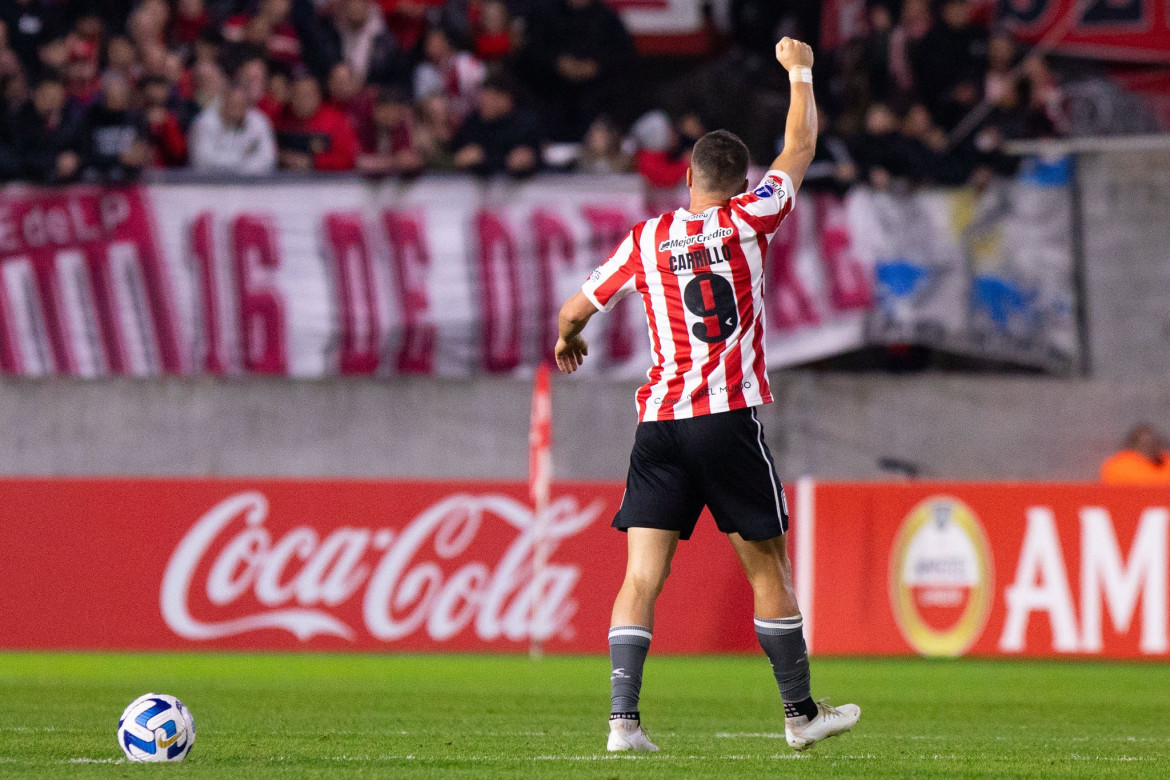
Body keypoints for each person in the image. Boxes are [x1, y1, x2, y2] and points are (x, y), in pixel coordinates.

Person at [553, 37, 861, 754]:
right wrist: (799, 72)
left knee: (641, 577)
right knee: (768, 569)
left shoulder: (649, 237)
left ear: (688, 177)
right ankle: (799, 715)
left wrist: (569, 341)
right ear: (739, 179)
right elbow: (802, 145)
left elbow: (574, 310)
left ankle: (622, 725)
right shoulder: (752, 218)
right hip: (725, 419)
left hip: (659, 423)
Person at [189, 85, 277, 175]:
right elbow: (202, 161)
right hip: (208, 184)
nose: (237, 109)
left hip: (249, 183)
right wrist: (242, 158)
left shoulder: (259, 122)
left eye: (241, 104)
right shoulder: (204, 122)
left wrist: (239, 169)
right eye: (233, 104)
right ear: (223, 104)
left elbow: (268, 160)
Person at [1100, 424, 1170, 485]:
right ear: (1133, 445)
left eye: (1155, 443)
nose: (1150, 447)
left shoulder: (1166, 463)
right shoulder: (1118, 467)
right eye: (1145, 444)